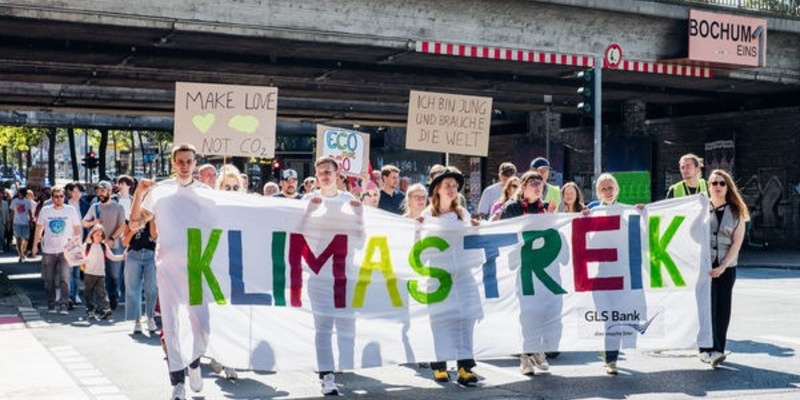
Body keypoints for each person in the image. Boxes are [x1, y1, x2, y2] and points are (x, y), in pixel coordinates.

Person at [130, 143, 208, 400]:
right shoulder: (160, 192)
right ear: (173, 164)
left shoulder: (205, 193)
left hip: (198, 266)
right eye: (180, 161)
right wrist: (138, 194)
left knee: (202, 326)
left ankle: (195, 362)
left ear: (195, 164)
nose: (185, 165)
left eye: (189, 161)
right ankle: (177, 383)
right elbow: (134, 222)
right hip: (167, 265)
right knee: (172, 325)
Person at [302, 155, 362, 396]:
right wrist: (309, 212)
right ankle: (326, 375)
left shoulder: (350, 201)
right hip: (318, 274)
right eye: (320, 172)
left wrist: (358, 216)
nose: (324, 176)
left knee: (346, 323)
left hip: (344, 273)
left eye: (328, 171)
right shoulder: (308, 199)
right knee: (323, 326)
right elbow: (297, 235)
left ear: (337, 174)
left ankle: (342, 365)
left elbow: (361, 238)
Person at [418, 167, 480, 386]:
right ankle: (440, 365)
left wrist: (475, 229)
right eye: (447, 185)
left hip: (462, 274)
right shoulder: (427, 216)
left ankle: (465, 367)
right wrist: (417, 228)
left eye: (454, 185)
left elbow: (471, 242)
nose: (452, 189)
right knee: (440, 320)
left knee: (465, 319)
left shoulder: (462, 214)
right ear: (438, 189)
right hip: (438, 276)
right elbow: (418, 247)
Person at [496, 171, 552, 375]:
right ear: (523, 187)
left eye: (540, 183)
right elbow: (503, 233)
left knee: (540, 311)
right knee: (524, 313)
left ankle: (535, 350)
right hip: (520, 267)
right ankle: (525, 356)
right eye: (533, 183)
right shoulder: (512, 208)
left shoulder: (546, 209)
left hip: (541, 268)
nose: (538, 186)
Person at [699, 169, 749, 368]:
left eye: (722, 183)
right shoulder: (700, 208)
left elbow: (736, 243)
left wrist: (723, 266)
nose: (718, 186)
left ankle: (718, 349)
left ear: (728, 187)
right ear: (708, 186)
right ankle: (705, 350)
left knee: (722, 309)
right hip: (703, 267)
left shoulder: (737, 211)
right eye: (714, 183)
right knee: (706, 309)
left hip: (726, 267)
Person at [31, 186, 82, 314]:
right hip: (48, 250)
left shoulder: (70, 210)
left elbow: (77, 228)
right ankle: (51, 304)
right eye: (56, 196)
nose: (59, 199)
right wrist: (34, 245)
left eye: (61, 196)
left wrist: (76, 244)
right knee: (49, 280)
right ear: (52, 197)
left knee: (65, 278)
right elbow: (39, 228)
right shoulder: (45, 210)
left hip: (65, 250)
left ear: (64, 197)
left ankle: (64, 305)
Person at [82, 181, 126, 311]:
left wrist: (112, 238)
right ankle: (101, 303)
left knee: (113, 275)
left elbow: (122, 225)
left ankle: (113, 297)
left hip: (113, 245)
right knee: (97, 274)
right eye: (98, 191)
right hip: (97, 246)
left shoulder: (118, 207)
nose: (100, 193)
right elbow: (84, 223)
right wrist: (93, 222)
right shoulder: (95, 207)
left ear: (109, 191)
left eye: (103, 190)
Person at [80, 224, 125, 320]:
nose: (99, 237)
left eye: (101, 235)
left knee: (102, 293)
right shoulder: (86, 246)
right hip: (89, 273)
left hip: (100, 274)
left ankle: (104, 310)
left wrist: (123, 256)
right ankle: (90, 310)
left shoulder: (104, 246)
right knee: (89, 293)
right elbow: (79, 257)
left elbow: (112, 257)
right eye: (97, 235)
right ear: (92, 235)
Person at [123, 218, 158, 335]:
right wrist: (133, 230)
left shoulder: (153, 218)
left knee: (151, 288)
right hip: (133, 254)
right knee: (133, 288)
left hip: (150, 255)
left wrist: (152, 219)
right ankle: (137, 321)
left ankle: (150, 317)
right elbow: (124, 242)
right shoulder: (130, 220)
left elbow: (154, 235)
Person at [65, 182, 91, 307]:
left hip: (82, 242)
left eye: (79, 192)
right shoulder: (65, 205)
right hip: (68, 242)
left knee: (77, 271)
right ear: (69, 192)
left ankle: (74, 294)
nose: (76, 194)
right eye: (74, 191)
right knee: (69, 270)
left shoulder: (85, 205)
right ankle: (71, 295)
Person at [10, 187, 34, 262]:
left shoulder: (27, 201)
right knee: (18, 239)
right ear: (18, 193)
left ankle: (23, 251)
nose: (21, 194)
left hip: (25, 222)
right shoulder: (14, 201)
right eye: (20, 193)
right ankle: (21, 254)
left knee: (26, 239)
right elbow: (12, 212)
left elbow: (30, 212)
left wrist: (31, 221)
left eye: (23, 193)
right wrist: (11, 221)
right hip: (17, 222)